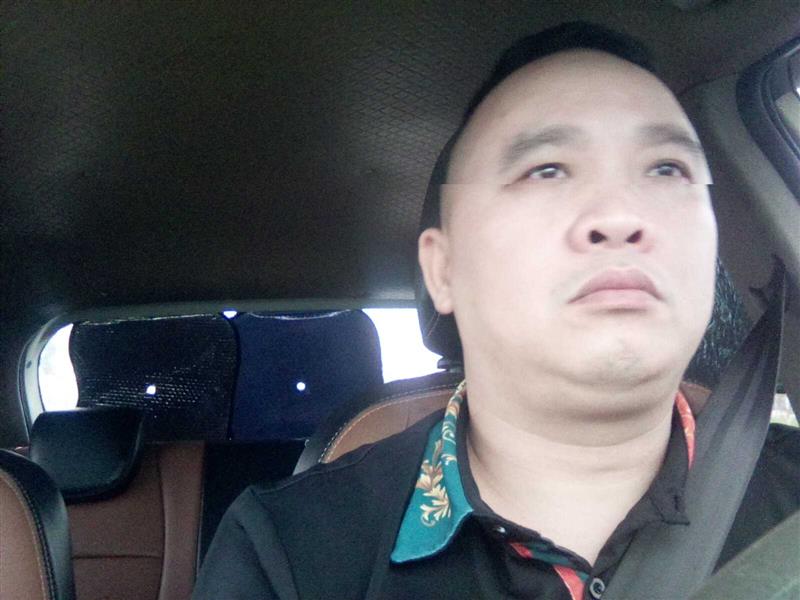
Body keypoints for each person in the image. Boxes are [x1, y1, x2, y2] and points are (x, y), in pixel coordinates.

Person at [193, 22, 799, 599]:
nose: (621, 216)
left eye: (667, 169)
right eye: (546, 170)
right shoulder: (290, 555)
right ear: (443, 270)